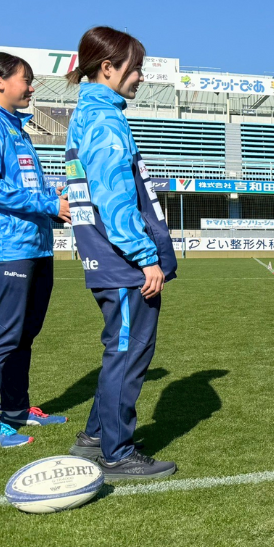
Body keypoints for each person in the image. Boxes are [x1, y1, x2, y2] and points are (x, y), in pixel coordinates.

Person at [62, 26, 178, 480]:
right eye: (135, 67)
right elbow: (114, 197)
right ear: (107, 68)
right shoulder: (105, 119)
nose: (141, 76)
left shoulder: (87, 114)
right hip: (122, 262)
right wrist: (144, 256)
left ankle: (95, 436)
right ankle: (116, 452)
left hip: (106, 258)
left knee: (121, 350)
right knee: (128, 354)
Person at [0, 52, 71, 448]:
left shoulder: (18, 129)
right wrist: (46, 204)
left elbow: (22, 184)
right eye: (26, 79)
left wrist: (52, 197)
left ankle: (14, 409)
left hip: (36, 246)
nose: (31, 87)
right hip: (5, 249)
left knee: (24, 333)